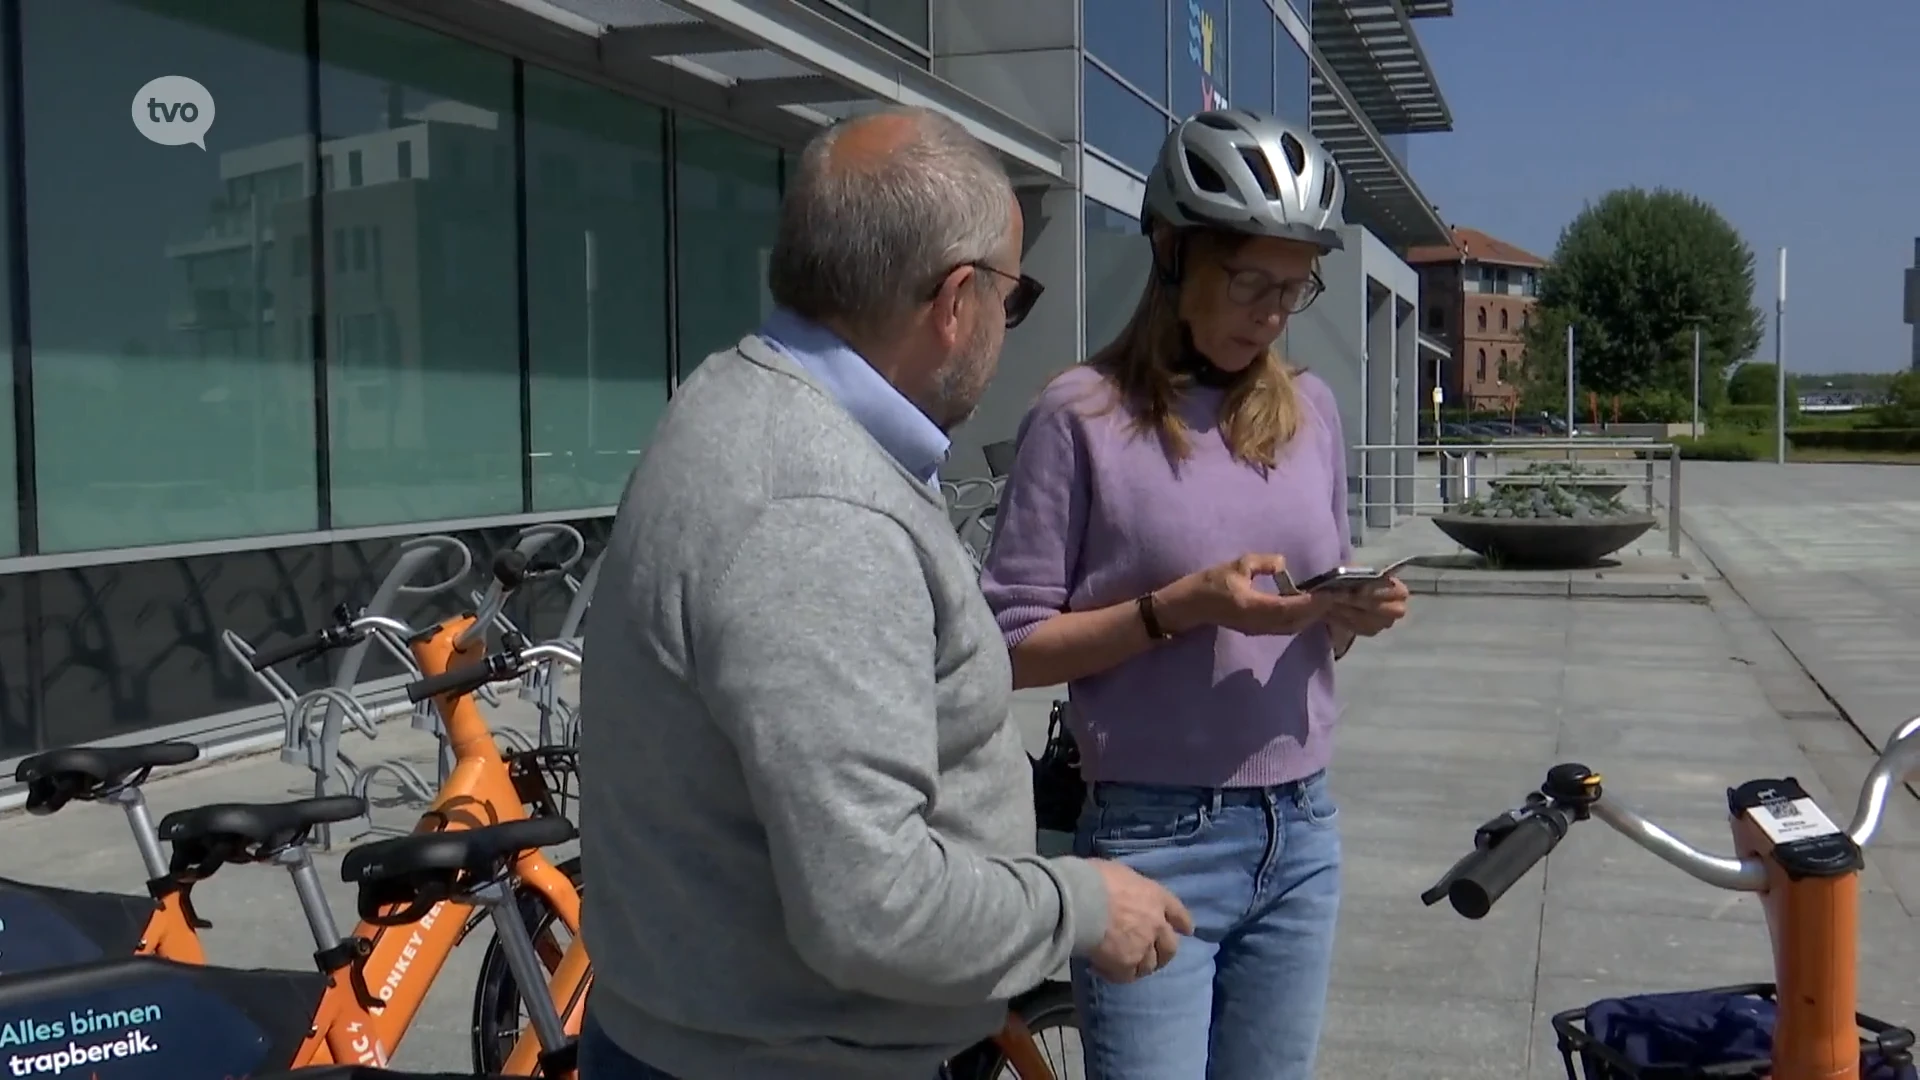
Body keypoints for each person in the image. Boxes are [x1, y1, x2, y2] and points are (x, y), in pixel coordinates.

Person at [574, 105, 1194, 1080]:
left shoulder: (735, 400)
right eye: (1014, 297)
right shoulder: (820, 510)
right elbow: (871, 905)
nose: (1006, 325)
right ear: (956, 300)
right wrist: (1082, 904)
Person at [978, 109, 1412, 1080]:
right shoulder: (1081, 415)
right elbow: (1006, 651)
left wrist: (1344, 615)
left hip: (1299, 835)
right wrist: (1177, 609)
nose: (1270, 310)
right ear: (1172, 253)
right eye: (1248, 279)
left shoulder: (1314, 411)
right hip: (1150, 840)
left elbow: (1306, 633)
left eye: (1294, 285)